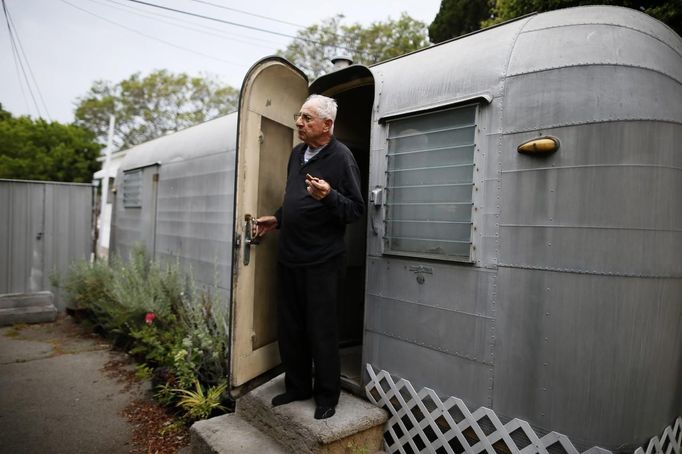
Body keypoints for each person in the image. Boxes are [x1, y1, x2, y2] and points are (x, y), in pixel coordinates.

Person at [254, 94, 364, 420]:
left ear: (327, 125)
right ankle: (298, 386)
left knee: (321, 330)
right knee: (291, 328)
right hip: (290, 257)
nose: (298, 123)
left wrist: (329, 196)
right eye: (299, 116)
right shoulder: (297, 154)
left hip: (322, 262)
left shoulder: (341, 159)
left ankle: (327, 395)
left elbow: (355, 210)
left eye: (307, 118)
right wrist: (277, 219)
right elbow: (294, 201)